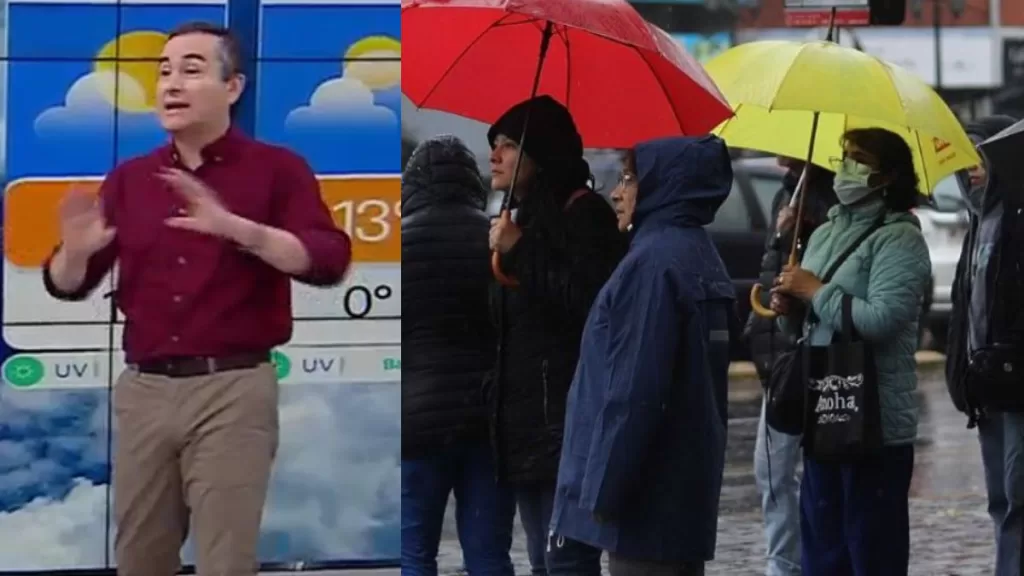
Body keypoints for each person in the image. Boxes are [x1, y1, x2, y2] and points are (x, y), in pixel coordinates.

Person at [41, 22, 351, 576]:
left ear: (233, 87)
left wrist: (236, 227)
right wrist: (74, 253)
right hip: (144, 392)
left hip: (232, 389)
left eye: (191, 69)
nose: (171, 85)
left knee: (225, 561)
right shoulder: (130, 180)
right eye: (163, 72)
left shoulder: (279, 170)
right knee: (139, 559)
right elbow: (69, 285)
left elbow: (328, 260)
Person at [550, 135, 735, 576]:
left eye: (630, 178)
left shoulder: (652, 265)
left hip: (643, 496)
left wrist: (599, 493)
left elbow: (634, 390)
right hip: (682, 487)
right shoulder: (699, 254)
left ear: (663, 185)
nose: (616, 190)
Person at [771, 128, 931, 575]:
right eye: (844, 156)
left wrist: (816, 290)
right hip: (825, 410)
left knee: (870, 549)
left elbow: (882, 319)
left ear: (886, 176)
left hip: (874, 422)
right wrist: (790, 304)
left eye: (859, 159)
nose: (846, 167)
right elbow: (807, 321)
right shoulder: (824, 231)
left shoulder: (900, 238)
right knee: (823, 548)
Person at [486, 95, 626, 576]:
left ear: (540, 152)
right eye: (494, 145)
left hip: (566, 420)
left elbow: (587, 301)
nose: (494, 156)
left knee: (566, 560)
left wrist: (520, 251)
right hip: (527, 424)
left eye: (507, 145)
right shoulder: (521, 218)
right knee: (542, 560)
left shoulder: (585, 216)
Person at [400, 135, 515, 576]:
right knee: (488, 555)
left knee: (415, 554)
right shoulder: (496, 240)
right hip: (487, 420)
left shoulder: (401, 244)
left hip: (416, 423)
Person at [745, 158, 836, 576]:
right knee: (771, 471)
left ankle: (790, 564)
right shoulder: (788, 189)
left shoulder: (828, 197)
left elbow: (823, 275)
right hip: (778, 355)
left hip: (808, 355)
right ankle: (783, 562)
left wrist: (803, 228)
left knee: (804, 474)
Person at [944, 114, 1024, 576]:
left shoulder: (1015, 222)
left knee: (1018, 498)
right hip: (985, 387)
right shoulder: (977, 225)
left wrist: (1005, 355)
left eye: (981, 158)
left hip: (1014, 383)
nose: (972, 170)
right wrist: (963, 374)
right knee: (1000, 499)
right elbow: (963, 311)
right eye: (964, 159)